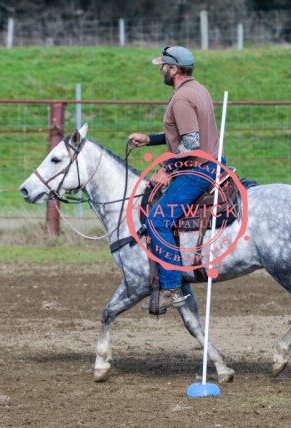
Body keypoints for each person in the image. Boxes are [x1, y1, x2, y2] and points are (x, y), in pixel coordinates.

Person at [128, 46, 225, 313]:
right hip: (213, 162)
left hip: (198, 170)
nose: (160, 69)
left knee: (157, 221)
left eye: (163, 65)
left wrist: (168, 168)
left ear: (173, 69)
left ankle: (171, 288)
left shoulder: (181, 98)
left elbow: (191, 142)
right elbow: (185, 133)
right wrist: (150, 139)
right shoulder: (198, 89)